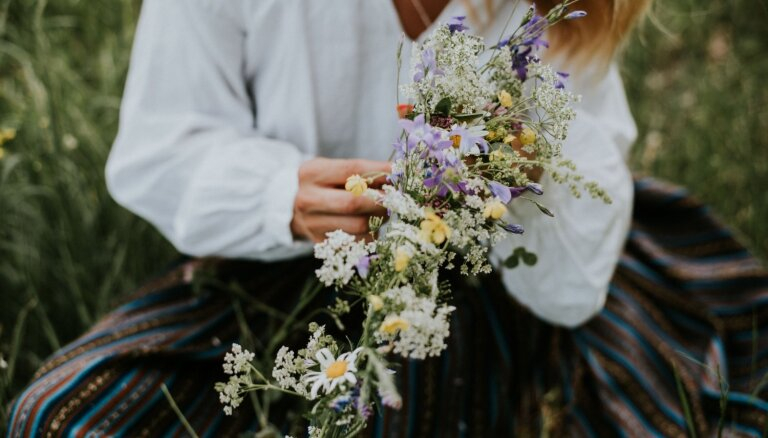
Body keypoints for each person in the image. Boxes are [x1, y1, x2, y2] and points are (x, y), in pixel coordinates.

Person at [7, 0, 767, 436]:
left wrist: (525, 170)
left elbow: (568, 290)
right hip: (279, 273)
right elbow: (157, 147)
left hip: (491, 294)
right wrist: (285, 195)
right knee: (61, 417)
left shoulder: (558, 12)